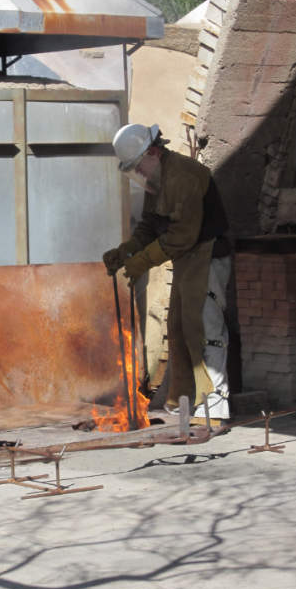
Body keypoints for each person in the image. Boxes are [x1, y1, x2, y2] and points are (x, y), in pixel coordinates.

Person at [102, 123, 231, 421]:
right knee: (179, 327)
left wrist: (141, 261)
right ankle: (186, 400)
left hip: (207, 254)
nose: (140, 174)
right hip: (189, 259)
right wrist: (126, 252)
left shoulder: (183, 176)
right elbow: (151, 226)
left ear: (153, 152)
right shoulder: (158, 179)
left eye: (139, 166)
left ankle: (216, 404)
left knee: (203, 327)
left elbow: (181, 236)